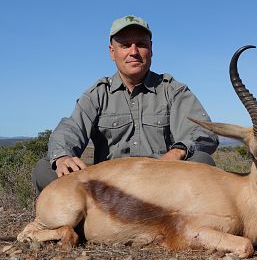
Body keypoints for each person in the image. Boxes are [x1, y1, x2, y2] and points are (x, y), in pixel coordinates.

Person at [32, 15, 219, 193]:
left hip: (164, 186)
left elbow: (204, 132)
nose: (134, 52)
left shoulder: (173, 90)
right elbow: (69, 129)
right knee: (45, 168)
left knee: (202, 161)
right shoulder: (98, 93)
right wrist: (63, 156)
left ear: (151, 49)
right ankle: (87, 218)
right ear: (112, 52)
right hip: (108, 190)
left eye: (141, 44)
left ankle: (172, 221)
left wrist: (177, 152)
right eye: (125, 45)